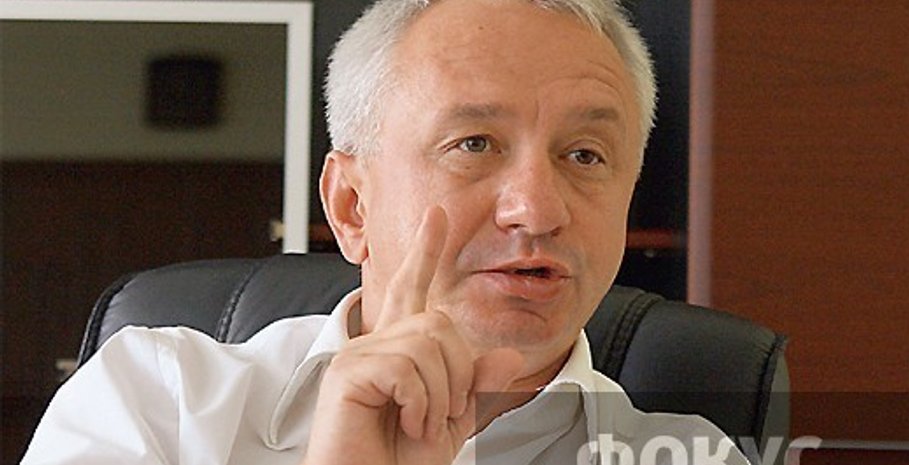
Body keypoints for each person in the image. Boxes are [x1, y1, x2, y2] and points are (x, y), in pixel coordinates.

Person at [23, 1, 749, 464]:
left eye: (585, 156)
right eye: (473, 144)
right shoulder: (157, 404)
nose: (536, 210)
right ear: (352, 206)